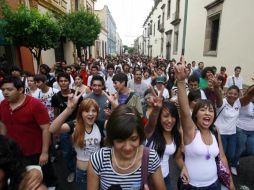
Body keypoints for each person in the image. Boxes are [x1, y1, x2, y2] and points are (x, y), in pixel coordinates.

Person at [174, 62, 235, 190]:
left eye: (211, 110)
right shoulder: (191, 131)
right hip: (192, 186)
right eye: (203, 110)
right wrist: (180, 81)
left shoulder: (214, 130)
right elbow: (185, 111)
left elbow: (222, 157)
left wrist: (231, 183)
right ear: (195, 115)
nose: (208, 112)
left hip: (214, 184)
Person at [87, 105, 166, 190]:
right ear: (112, 139)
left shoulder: (151, 158)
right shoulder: (98, 159)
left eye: (134, 139)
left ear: (140, 136)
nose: (127, 147)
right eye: (120, 141)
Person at [0, 76, 55, 188]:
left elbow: (46, 128)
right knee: (21, 181)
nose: (5, 92)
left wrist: (44, 152)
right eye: (3, 90)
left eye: (9, 89)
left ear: (20, 90)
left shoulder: (35, 105)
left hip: (35, 152)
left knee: (43, 179)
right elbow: (3, 126)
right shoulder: (3, 105)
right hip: (14, 153)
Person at [50, 94, 101, 190]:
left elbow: (118, 125)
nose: (90, 114)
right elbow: (52, 129)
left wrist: (115, 107)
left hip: (99, 170)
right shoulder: (74, 125)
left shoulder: (99, 124)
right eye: (86, 111)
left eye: (94, 111)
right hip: (82, 172)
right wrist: (68, 110)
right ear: (81, 113)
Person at [144, 91, 186, 190]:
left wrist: (184, 169)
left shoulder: (176, 135)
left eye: (173, 116)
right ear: (159, 118)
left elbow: (178, 157)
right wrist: (157, 109)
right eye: (166, 116)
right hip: (148, 179)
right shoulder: (151, 132)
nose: (170, 120)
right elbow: (149, 125)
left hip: (165, 178)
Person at [214, 85, 254, 175]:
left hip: (232, 133)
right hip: (221, 133)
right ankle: (218, 172)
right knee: (221, 155)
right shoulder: (222, 102)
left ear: (238, 95)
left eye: (235, 94)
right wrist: (216, 88)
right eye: (230, 93)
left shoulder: (238, 103)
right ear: (226, 93)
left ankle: (224, 167)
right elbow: (218, 96)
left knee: (231, 155)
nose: (232, 95)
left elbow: (249, 95)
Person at [232, 86, 254, 175]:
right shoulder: (243, 101)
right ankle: (233, 164)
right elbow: (249, 95)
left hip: (252, 130)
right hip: (241, 128)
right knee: (240, 147)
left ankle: (235, 157)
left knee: (251, 150)